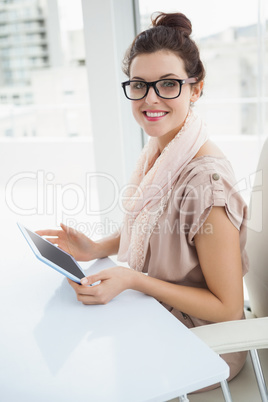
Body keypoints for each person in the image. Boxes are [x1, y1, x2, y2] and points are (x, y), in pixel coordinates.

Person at [37, 12, 249, 387]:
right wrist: (98, 246)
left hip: (204, 344)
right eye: (139, 84)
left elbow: (228, 309)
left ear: (196, 89)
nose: (151, 99)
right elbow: (165, 226)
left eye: (168, 84)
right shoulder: (165, 151)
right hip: (161, 319)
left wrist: (134, 280)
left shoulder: (206, 182)